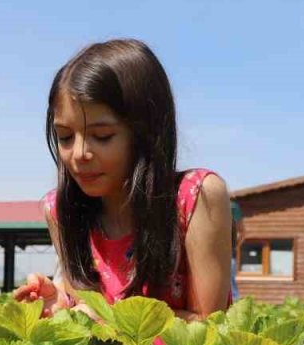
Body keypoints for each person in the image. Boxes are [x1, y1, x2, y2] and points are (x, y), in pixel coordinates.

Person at [13, 39, 232, 321]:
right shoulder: (59, 211)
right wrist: (61, 307)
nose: (79, 154)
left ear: (145, 131)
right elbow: (85, 313)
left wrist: (107, 322)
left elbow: (210, 327)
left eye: (102, 136)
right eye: (65, 136)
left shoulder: (195, 198)